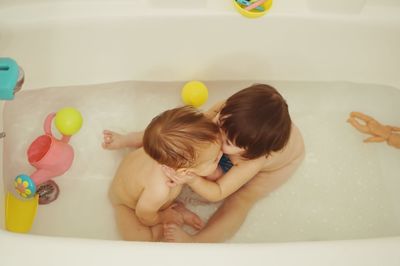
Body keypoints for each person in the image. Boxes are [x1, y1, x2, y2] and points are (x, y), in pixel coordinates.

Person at [104, 84, 305, 242]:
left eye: (226, 141)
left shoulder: (254, 159)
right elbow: (180, 136)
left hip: (274, 168)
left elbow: (218, 193)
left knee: (242, 199)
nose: (218, 135)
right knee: (182, 138)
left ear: (247, 152)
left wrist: (192, 179)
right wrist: (126, 140)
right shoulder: (226, 113)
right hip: (245, 137)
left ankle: (200, 241)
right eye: (219, 124)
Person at [108, 106, 223, 241]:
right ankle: (171, 215)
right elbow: (143, 215)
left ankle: (172, 209)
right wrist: (163, 217)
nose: (221, 154)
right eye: (215, 159)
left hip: (138, 183)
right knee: (141, 240)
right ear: (184, 171)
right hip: (127, 204)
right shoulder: (159, 189)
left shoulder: (164, 149)